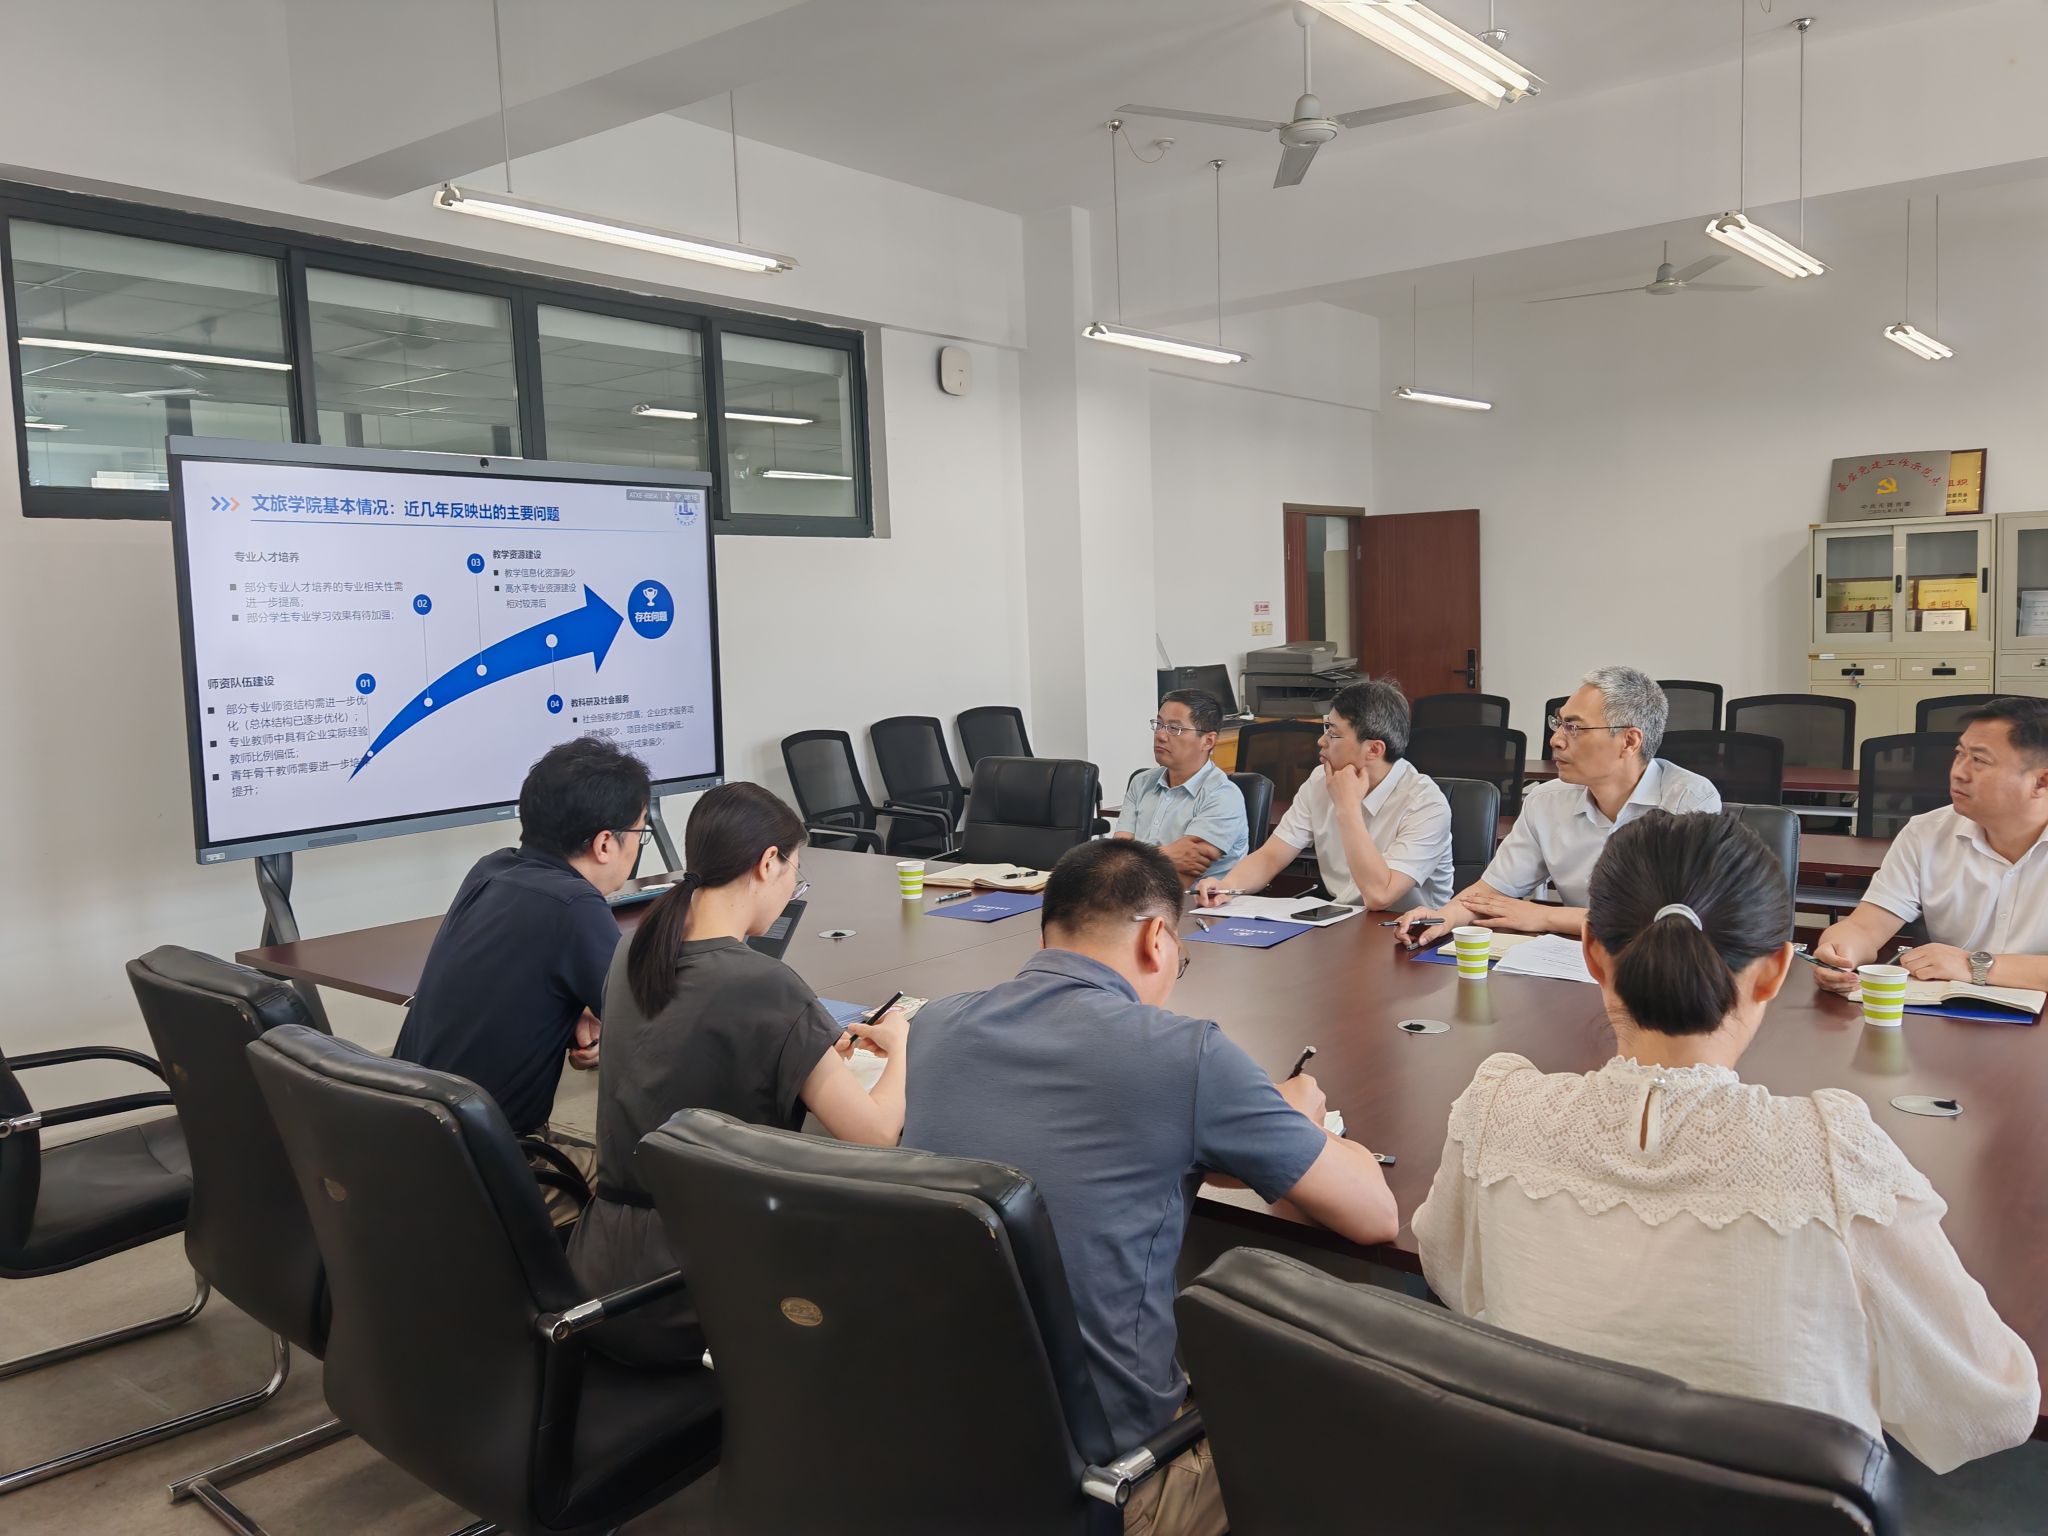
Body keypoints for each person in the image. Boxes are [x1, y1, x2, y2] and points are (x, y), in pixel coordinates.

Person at [1412, 810, 2039, 1475]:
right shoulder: (1831, 1158)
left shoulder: (1498, 1110)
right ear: (1775, 971)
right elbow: (1990, 1406)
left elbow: (1450, 1273)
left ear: (1592, 953)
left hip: (1534, 1497)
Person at [902, 838, 1398, 1536]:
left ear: (1046, 935)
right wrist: (1297, 1118)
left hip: (941, 1446)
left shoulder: (934, 1027)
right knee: (1358, 1445)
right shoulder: (1184, 1053)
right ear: (1157, 939)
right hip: (1110, 1482)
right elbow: (1374, 1215)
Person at [569, 781, 910, 1365]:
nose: (790, 890)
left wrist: (802, 1048)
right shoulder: (763, 984)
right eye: (794, 874)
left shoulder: (635, 949)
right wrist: (899, 1043)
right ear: (767, 862)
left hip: (599, 1270)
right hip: (697, 1286)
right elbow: (876, 1134)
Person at [394, 736, 647, 1181]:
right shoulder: (574, 905)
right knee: (649, 1192)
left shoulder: (490, 870)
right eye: (640, 834)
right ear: (606, 843)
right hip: (485, 1169)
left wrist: (577, 1010)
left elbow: (517, 983)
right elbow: (655, 1030)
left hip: (406, 1130)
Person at [1407, 666, 1719, 946]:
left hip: (1661, 968)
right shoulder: (1547, 801)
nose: (1555, 740)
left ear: (1629, 741)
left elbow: (1677, 920)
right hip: (1574, 959)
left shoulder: (1687, 800)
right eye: (1559, 724)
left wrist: (1545, 916)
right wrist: (1443, 917)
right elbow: (1492, 892)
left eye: (1574, 728)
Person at [1810, 696, 2048, 995]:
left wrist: (1973, 966)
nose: (1958, 772)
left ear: (2041, 781)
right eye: (1960, 754)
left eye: (1980, 761)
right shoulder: (1927, 833)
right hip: (1949, 1013)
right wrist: (1839, 951)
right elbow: (1865, 927)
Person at [1196, 677, 1452, 912]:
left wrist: (1348, 807)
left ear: (1374, 749)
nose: (1321, 741)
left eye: (1333, 733)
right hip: (1343, 920)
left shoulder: (1426, 804)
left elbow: (1380, 896)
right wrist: (1227, 886)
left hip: (1408, 932)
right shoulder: (1320, 779)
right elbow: (1271, 857)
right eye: (1325, 728)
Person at [1116, 689, 1249, 881]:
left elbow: (1182, 878)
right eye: (1158, 724)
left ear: (1208, 741)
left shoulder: (1223, 796)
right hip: (1133, 894)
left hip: (1193, 899)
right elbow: (1116, 857)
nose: (1160, 735)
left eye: (1174, 728)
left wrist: (1128, 861)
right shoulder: (1141, 782)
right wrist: (1166, 855)